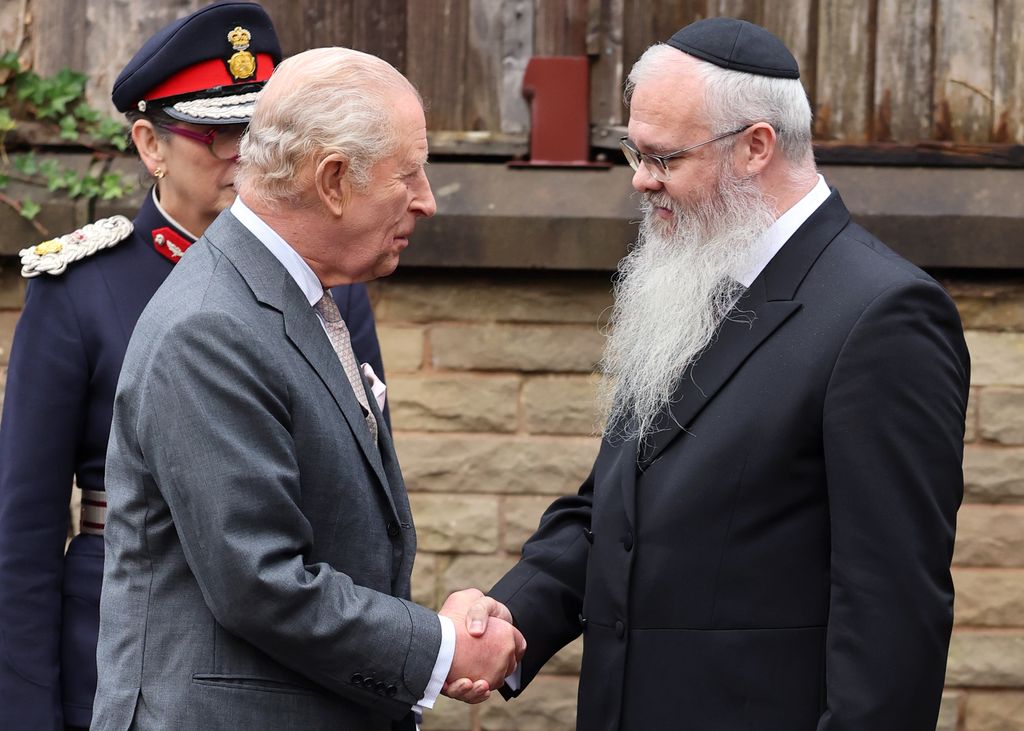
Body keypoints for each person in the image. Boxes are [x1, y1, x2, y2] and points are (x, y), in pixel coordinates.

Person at [452, 17, 971, 731]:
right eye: (635, 152)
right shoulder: (690, 278)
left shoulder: (883, 315)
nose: (640, 179)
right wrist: (506, 618)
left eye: (663, 158)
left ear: (756, 146)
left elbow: (893, 614)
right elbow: (616, 514)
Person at [91, 46, 524, 730]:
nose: (427, 200)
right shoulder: (211, 326)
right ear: (333, 180)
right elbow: (259, 582)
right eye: (408, 173)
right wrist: (439, 648)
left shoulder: (291, 296)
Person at [0, 4, 386, 729]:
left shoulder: (332, 285)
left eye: (263, 133)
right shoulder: (80, 288)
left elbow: (363, 505)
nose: (247, 156)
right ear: (151, 144)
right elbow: (23, 533)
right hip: (126, 663)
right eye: (220, 136)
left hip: (298, 663)